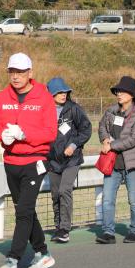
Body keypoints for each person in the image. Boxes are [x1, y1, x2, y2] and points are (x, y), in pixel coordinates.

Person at [0, 53, 57, 268]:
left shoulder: (44, 98)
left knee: (24, 211)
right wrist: (2, 135)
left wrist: (24, 133)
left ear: (30, 73)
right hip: (11, 161)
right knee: (24, 209)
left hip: (35, 161)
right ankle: (42, 252)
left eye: (20, 72)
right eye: (12, 72)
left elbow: (50, 133)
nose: (16, 77)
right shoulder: (2, 97)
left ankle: (13, 258)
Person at [96, 76, 135, 244]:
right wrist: (104, 139)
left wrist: (112, 145)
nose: (119, 94)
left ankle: (134, 231)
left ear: (131, 95)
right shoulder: (111, 111)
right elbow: (102, 126)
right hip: (113, 163)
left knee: (134, 201)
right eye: (118, 91)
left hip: (133, 163)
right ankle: (108, 232)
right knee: (108, 199)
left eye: (123, 91)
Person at [45, 77, 91, 243]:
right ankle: (58, 227)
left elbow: (86, 130)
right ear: (50, 94)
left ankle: (65, 228)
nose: (63, 95)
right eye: (59, 92)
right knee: (55, 194)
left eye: (65, 91)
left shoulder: (74, 109)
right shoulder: (44, 111)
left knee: (65, 190)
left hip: (72, 160)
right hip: (52, 160)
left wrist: (73, 145)